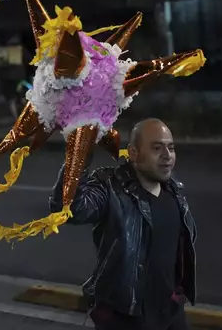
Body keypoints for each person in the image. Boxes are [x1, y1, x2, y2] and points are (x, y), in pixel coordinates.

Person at [49, 118, 197, 330]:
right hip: (125, 317)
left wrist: (177, 296)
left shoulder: (174, 190)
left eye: (171, 148)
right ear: (134, 154)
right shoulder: (111, 187)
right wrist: (79, 152)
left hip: (170, 313)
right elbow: (69, 210)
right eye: (157, 148)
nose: (167, 156)